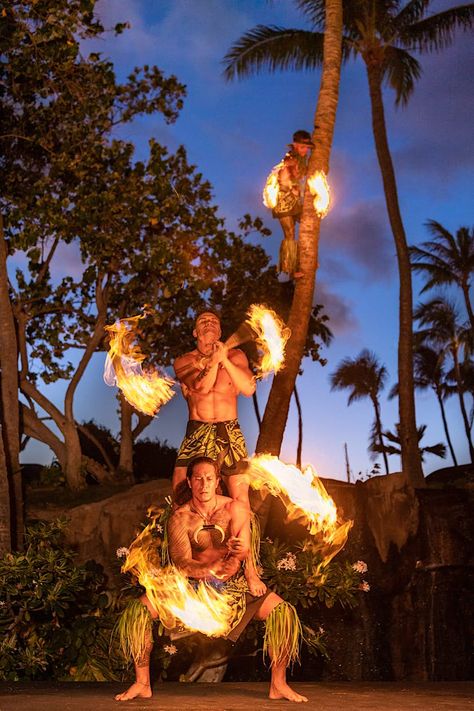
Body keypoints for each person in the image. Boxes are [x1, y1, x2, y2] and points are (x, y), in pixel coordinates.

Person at [114, 457, 307, 703]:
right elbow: (182, 563)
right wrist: (208, 568)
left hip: (233, 584)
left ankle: (278, 684)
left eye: (209, 479)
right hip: (191, 587)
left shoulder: (235, 509)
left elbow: (244, 550)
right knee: (138, 612)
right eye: (198, 479)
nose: (204, 484)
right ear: (190, 482)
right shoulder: (180, 518)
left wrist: (237, 555)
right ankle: (142, 683)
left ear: (217, 481)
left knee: (282, 612)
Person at [172, 310, 265, 596]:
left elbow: (248, 388)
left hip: (229, 431)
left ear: (221, 331)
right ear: (195, 333)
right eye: (203, 321)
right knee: (179, 498)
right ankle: (185, 574)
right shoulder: (184, 361)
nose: (209, 323)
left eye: (214, 321)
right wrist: (214, 360)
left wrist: (224, 356)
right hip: (197, 431)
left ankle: (249, 572)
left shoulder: (235, 357)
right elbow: (200, 386)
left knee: (241, 503)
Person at [271, 130, 314, 279]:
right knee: (289, 234)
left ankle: (306, 260)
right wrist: (292, 188)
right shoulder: (290, 159)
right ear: (295, 145)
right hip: (284, 201)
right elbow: (282, 177)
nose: (305, 150)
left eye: (307, 147)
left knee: (307, 225)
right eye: (303, 147)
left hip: (295, 200)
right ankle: (291, 270)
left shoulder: (301, 160)